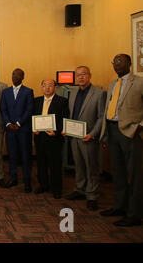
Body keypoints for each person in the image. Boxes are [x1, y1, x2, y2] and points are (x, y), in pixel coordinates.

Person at [99, 54, 143, 227]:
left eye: (121, 61)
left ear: (129, 63)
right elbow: (109, 109)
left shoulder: (139, 82)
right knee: (117, 172)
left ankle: (135, 214)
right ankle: (119, 206)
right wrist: (104, 133)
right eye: (114, 62)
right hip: (112, 129)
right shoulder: (112, 84)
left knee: (135, 175)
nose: (117, 65)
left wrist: (140, 125)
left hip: (130, 132)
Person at [63, 66, 106, 210]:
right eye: (78, 75)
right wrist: (66, 129)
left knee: (91, 166)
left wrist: (93, 134)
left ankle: (92, 195)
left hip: (89, 136)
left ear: (90, 76)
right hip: (74, 136)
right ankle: (80, 189)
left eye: (84, 74)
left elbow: (101, 117)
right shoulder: (74, 92)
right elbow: (71, 113)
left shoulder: (99, 93)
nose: (80, 77)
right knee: (79, 164)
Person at [33, 79, 69, 199]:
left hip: (54, 138)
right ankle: (43, 185)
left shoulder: (62, 101)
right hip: (40, 137)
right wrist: (34, 128)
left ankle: (56, 189)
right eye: (44, 86)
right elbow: (32, 117)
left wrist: (56, 131)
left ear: (55, 87)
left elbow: (64, 118)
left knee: (55, 164)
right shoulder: (36, 101)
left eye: (50, 86)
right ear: (42, 87)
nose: (47, 88)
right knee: (41, 163)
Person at [0, 68, 34, 193]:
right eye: (13, 74)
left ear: (23, 77)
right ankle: (13, 178)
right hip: (10, 130)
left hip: (23, 129)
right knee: (12, 155)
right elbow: (3, 109)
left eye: (18, 75)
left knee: (25, 156)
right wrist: (8, 123)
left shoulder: (28, 91)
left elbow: (29, 110)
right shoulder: (6, 92)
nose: (15, 77)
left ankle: (27, 181)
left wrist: (18, 123)